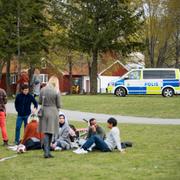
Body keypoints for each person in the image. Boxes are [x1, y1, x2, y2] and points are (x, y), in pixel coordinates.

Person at [38, 76, 61, 158]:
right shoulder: (56, 91)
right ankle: (46, 152)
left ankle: (47, 151)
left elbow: (39, 101)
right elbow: (59, 105)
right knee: (49, 132)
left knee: (47, 132)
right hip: (53, 112)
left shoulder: (42, 89)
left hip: (44, 112)